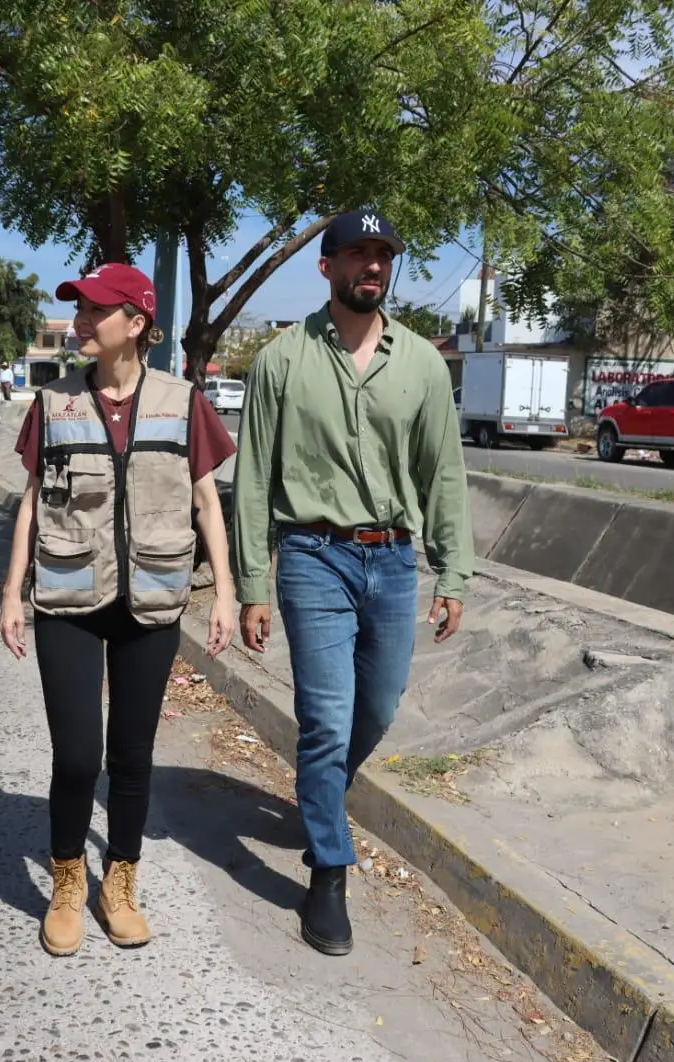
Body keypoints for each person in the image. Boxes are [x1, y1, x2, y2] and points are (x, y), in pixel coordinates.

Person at [230, 210, 474, 957]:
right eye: (358, 253)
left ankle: (321, 793)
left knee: (378, 707)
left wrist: (453, 570)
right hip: (312, 555)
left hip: (394, 559)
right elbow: (253, 477)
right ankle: (329, 870)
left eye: (383, 255)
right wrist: (252, 584)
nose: (372, 265)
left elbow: (443, 473)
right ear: (327, 266)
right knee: (328, 719)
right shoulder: (281, 360)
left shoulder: (423, 364)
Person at [0, 263, 238, 956]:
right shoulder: (53, 402)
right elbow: (31, 502)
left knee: (132, 755)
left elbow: (206, 503)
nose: (80, 320)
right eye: (77, 308)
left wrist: (224, 591)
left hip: (153, 598)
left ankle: (121, 882)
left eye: (94, 310)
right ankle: (68, 879)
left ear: (135, 324)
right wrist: (12, 592)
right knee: (78, 755)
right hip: (68, 597)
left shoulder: (183, 401)